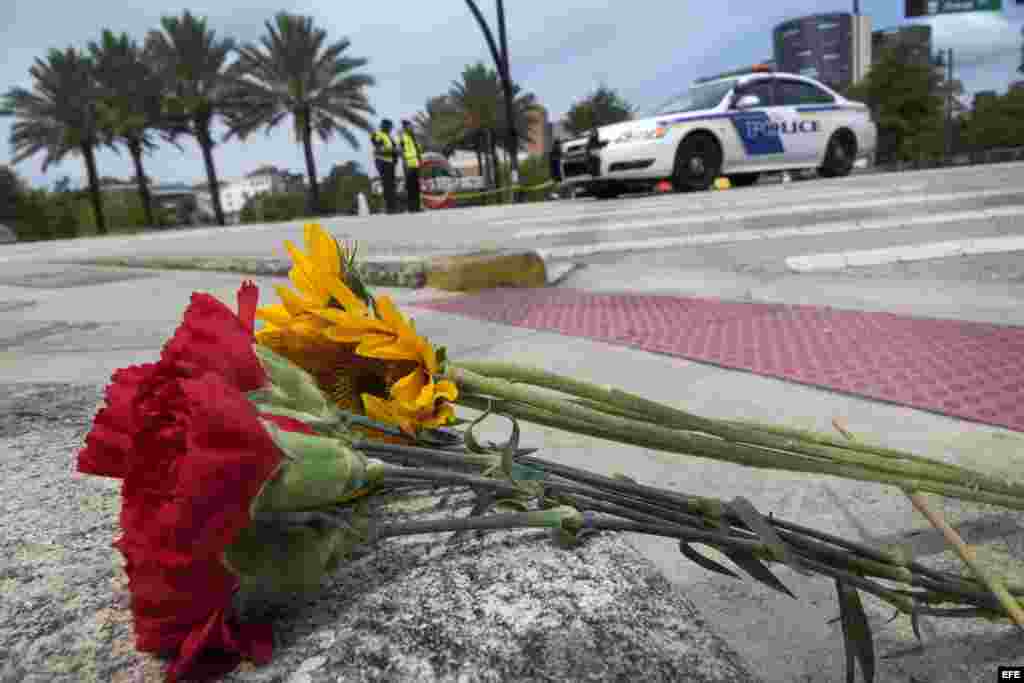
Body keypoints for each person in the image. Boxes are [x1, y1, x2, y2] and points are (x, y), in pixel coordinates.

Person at [371, 119, 398, 214]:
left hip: (390, 163)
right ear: (384, 126)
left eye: (391, 127)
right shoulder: (377, 134)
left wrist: (396, 152)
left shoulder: (389, 137)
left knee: (392, 185)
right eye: (389, 126)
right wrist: (393, 150)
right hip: (382, 162)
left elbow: (393, 148)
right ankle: (389, 208)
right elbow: (379, 148)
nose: (391, 129)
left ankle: (392, 207)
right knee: (387, 185)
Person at [399, 119, 423, 213]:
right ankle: (411, 207)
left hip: (415, 163)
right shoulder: (403, 137)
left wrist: (419, 160)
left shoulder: (412, 137)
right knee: (410, 187)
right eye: (409, 126)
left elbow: (416, 150)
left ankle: (417, 207)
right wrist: (405, 162)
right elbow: (401, 150)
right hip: (408, 164)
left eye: (411, 126)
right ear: (405, 127)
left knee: (416, 186)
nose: (411, 127)